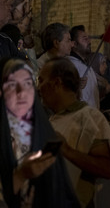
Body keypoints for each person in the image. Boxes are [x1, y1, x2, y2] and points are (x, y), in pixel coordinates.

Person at [38, 57, 110, 208]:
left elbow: (107, 168)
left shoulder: (90, 117)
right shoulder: (52, 120)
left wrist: (67, 150)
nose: (39, 87)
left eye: (41, 80)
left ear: (57, 83)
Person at [0, 58, 80, 208]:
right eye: (12, 85)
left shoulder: (44, 133)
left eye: (27, 84)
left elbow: (61, 193)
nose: (21, 93)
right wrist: (21, 175)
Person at [69, 25, 100, 109]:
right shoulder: (71, 65)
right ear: (74, 44)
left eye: (89, 38)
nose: (89, 41)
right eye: (85, 39)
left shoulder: (85, 65)